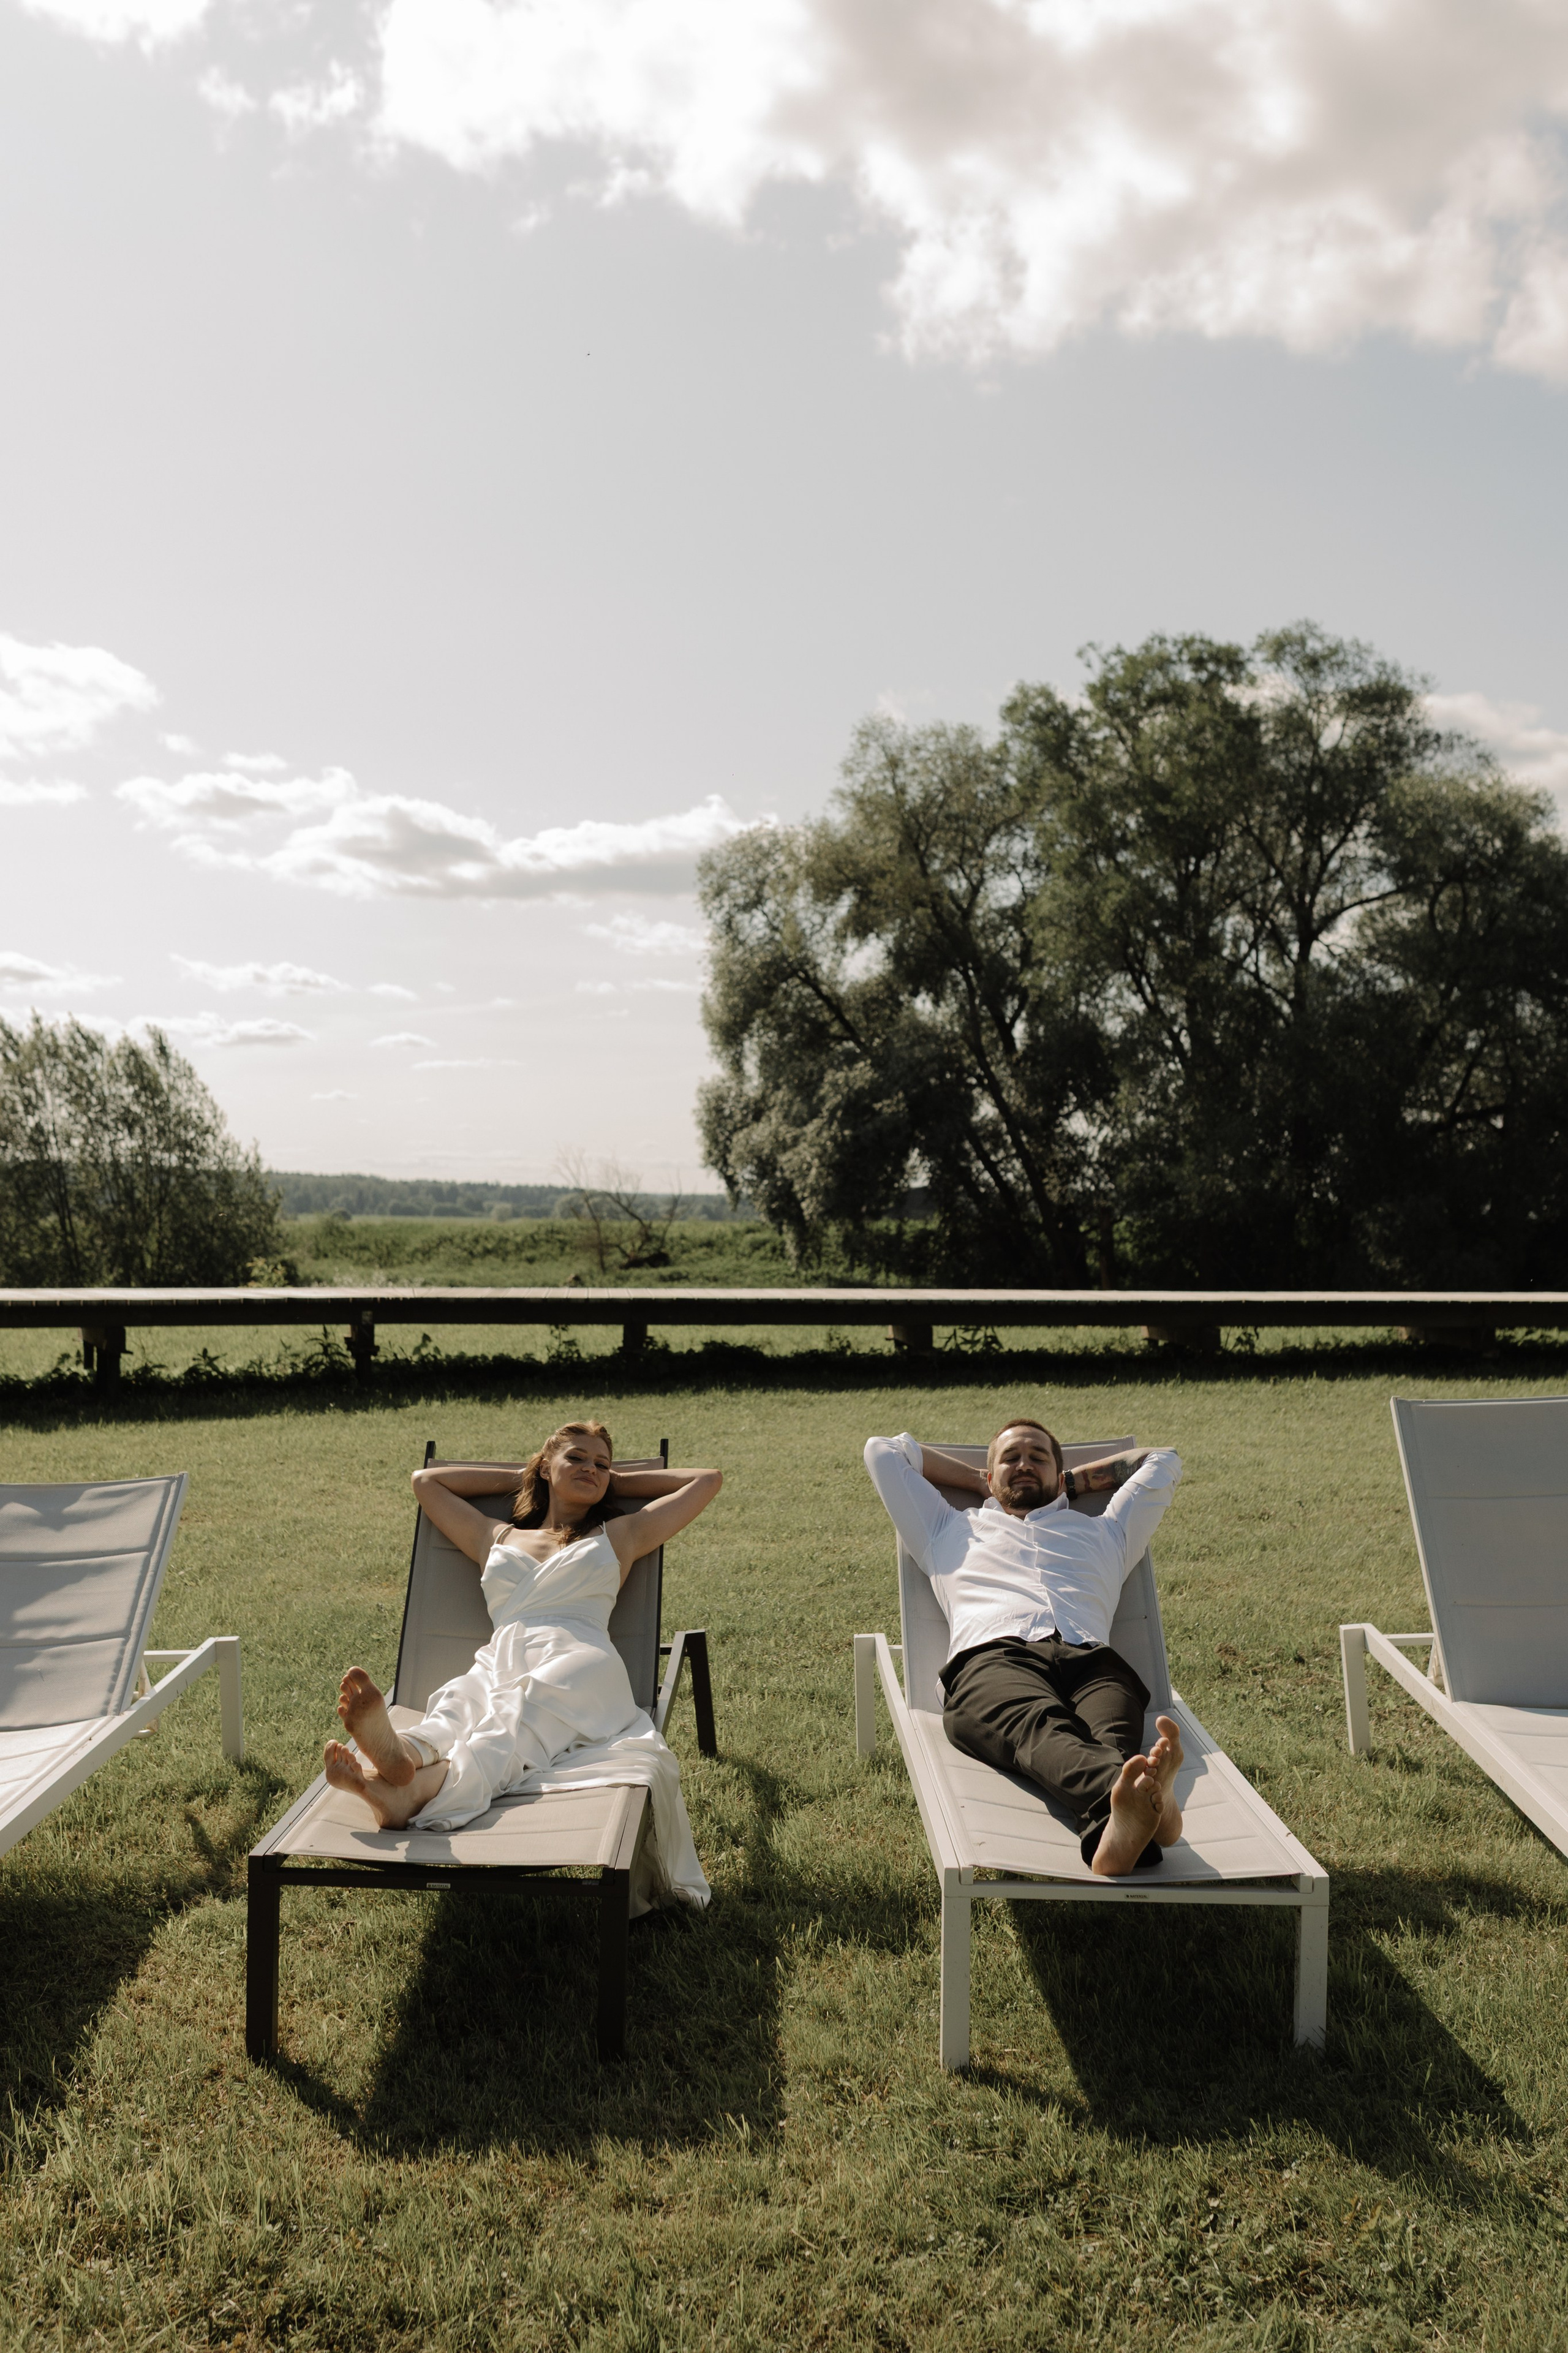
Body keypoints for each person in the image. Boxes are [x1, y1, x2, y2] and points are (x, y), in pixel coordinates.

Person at [323, 1422, 721, 1890]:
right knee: (460, 1700)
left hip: (582, 1656)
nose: (591, 1468)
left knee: (514, 1714)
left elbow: (708, 1480)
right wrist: (530, 1471)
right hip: (504, 1652)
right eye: (576, 1458)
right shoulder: (495, 1537)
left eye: (602, 1464)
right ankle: (400, 1760)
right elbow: (425, 1482)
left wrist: (619, 1481)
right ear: (546, 1467)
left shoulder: (621, 1535)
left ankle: (409, 1790)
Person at [864, 1418, 1184, 1876]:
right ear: (988, 1476)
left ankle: (1121, 1826)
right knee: (1040, 1726)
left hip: (1094, 1663)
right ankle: (1147, 1802)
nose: (1024, 1464)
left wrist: (1068, 1481)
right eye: (1010, 1458)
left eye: (1039, 1457)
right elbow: (883, 1451)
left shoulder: (1109, 1531)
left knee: (1104, 1738)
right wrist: (981, 1480)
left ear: (1060, 1474)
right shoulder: (945, 1527)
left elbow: (1163, 1461)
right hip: (994, 1659)